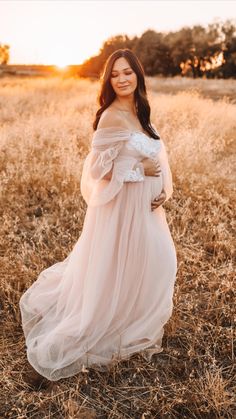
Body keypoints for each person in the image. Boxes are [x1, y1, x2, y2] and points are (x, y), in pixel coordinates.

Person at [19, 48, 177, 382]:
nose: (122, 79)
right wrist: (138, 167)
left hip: (146, 209)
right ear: (108, 80)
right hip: (121, 209)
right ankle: (108, 322)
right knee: (117, 267)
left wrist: (162, 185)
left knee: (157, 261)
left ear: (138, 75)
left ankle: (133, 317)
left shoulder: (141, 110)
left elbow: (157, 154)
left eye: (127, 72)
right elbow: (97, 170)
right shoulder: (110, 116)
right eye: (115, 74)